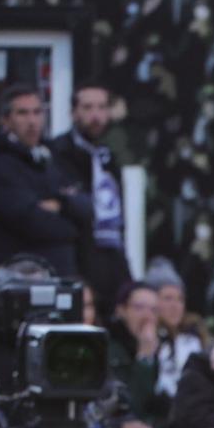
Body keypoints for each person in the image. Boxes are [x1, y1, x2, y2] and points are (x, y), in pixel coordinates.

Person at [0, 83, 92, 287]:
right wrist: (69, 215)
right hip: (17, 281)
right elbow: (31, 221)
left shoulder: (53, 157)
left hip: (62, 276)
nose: (32, 121)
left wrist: (60, 204)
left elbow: (87, 207)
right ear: (5, 120)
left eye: (37, 112)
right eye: (22, 113)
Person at [48, 80, 132, 304]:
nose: (96, 115)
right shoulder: (57, 152)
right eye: (87, 107)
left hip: (112, 255)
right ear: (73, 112)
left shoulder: (108, 156)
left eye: (102, 107)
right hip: (76, 259)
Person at [104, 281, 169, 428]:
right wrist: (144, 359)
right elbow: (130, 404)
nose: (147, 316)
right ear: (121, 310)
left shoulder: (165, 346)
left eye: (154, 310)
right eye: (139, 308)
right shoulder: (109, 348)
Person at [143, 257, 208, 398]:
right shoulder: (144, 338)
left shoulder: (194, 339)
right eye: (168, 298)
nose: (175, 306)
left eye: (180, 299)